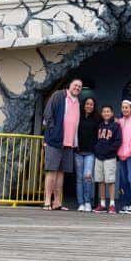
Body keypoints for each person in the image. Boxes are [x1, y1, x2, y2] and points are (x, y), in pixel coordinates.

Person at [41, 78, 82, 210]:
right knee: (51, 170)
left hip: (69, 143)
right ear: (69, 85)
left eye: (80, 87)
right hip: (55, 141)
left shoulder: (77, 102)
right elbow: (48, 114)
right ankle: (47, 200)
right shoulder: (58, 95)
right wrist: (53, 132)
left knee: (61, 173)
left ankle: (58, 202)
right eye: (75, 85)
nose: (77, 88)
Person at [92, 105, 121, 215]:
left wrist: (109, 150)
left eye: (108, 111)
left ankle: (112, 204)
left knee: (110, 181)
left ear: (112, 113)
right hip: (99, 157)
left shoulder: (116, 126)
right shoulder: (99, 125)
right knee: (101, 180)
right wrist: (97, 150)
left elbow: (118, 141)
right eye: (104, 111)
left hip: (110, 157)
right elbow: (95, 140)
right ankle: (103, 204)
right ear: (101, 113)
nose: (106, 113)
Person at [75, 96, 100, 212]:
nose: (89, 106)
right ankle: (80, 203)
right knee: (79, 178)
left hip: (90, 153)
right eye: (87, 104)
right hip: (78, 152)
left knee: (87, 177)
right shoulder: (77, 116)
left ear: (94, 106)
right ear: (83, 105)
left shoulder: (97, 118)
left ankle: (87, 202)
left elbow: (107, 120)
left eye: (91, 104)